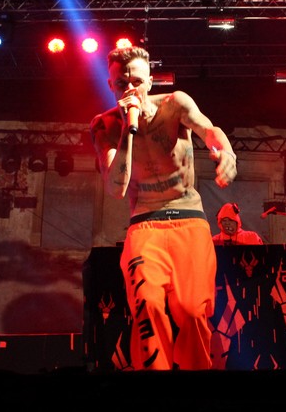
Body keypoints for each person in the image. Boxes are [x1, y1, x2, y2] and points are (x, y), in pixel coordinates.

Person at [89, 45, 237, 371]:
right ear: (111, 85)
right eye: (121, 84)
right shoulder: (105, 126)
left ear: (150, 81)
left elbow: (209, 130)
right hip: (145, 223)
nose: (130, 89)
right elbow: (116, 188)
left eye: (137, 82)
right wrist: (128, 130)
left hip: (188, 219)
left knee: (193, 311)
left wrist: (226, 153)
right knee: (147, 306)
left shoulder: (175, 105)